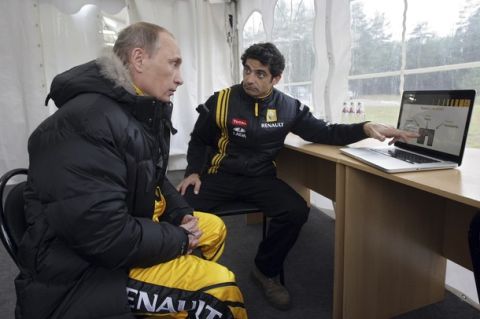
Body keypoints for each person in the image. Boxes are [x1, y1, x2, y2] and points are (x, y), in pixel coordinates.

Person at [16, 22, 247, 319]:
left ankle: (179, 294)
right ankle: (189, 295)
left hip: (123, 229)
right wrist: (178, 239)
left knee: (213, 229)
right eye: (173, 64)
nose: (180, 79)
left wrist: (181, 215)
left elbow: (152, 175)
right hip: (85, 270)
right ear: (139, 59)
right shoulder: (86, 122)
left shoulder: (131, 109)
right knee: (221, 292)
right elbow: (105, 236)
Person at [177, 42, 418, 310]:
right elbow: (199, 139)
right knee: (177, 208)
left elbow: (326, 132)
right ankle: (180, 275)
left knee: (295, 211)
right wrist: (194, 171)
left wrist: (365, 126)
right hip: (219, 174)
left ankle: (265, 270)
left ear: (276, 78)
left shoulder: (289, 107)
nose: (249, 79)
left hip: (260, 179)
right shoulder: (220, 100)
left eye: (260, 74)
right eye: (247, 70)